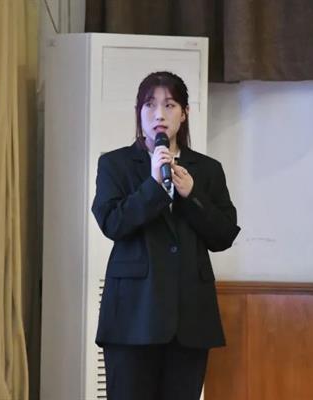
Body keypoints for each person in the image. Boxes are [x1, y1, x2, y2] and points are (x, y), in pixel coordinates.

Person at [91, 71, 240, 400]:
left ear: (184, 113)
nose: (159, 114)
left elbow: (224, 235)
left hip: (190, 319)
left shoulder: (207, 170)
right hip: (133, 316)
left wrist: (192, 194)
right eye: (150, 105)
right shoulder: (115, 164)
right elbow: (112, 223)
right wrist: (154, 187)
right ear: (139, 112)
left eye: (169, 105)